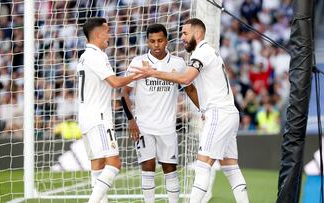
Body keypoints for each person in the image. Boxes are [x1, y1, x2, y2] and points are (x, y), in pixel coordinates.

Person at [135, 18, 249, 203]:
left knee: (203, 166)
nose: (182, 38)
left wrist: (152, 72)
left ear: (198, 34)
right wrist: (202, 109)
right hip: (228, 113)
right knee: (231, 168)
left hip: (218, 113)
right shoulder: (208, 52)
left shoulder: (202, 52)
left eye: (185, 33)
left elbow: (186, 79)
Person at [121, 23, 199, 203]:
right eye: (152, 41)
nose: (156, 45)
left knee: (170, 168)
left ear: (167, 41)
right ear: (147, 42)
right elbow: (124, 92)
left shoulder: (178, 64)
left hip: (167, 127)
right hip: (143, 126)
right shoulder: (138, 63)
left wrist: (203, 109)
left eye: (160, 40)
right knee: (147, 167)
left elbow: (190, 90)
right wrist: (130, 120)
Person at [77, 18, 142, 203]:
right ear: (98, 34)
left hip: (85, 117)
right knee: (114, 163)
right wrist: (139, 74)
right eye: (107, 32)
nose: (110, 36)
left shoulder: (83, 56)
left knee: (97, 165)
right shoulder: (97, 55)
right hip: (98, 118)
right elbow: (114, 83)